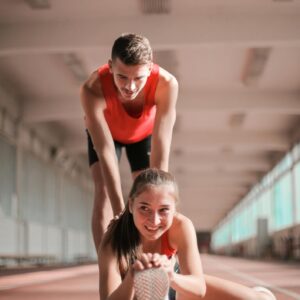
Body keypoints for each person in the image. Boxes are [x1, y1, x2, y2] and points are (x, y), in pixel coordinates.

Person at [99, 168, 276, 300]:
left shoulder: (181, 226)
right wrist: (132, 275)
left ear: (174, 209)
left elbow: (198, 288)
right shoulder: (112, 240)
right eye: (144, 208)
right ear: (131, 205)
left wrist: (170, 276)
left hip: (176, 280)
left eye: (163, 210)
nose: (154, 220)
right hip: (133, 290)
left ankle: (259, 295)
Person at [80, 33, 178, 252]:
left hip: (143, 134)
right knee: (103, 190)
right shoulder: (91, 89)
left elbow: (161, 150)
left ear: (151, 68)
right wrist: (120, 216)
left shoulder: (167, 84)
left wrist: (158, 200)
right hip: (107, 135)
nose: (130, 87)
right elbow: (105, 152)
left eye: (138, 78)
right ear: (110, 67)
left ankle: (149, 256)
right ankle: (108, 262)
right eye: (122, 77)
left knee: (147, 191)